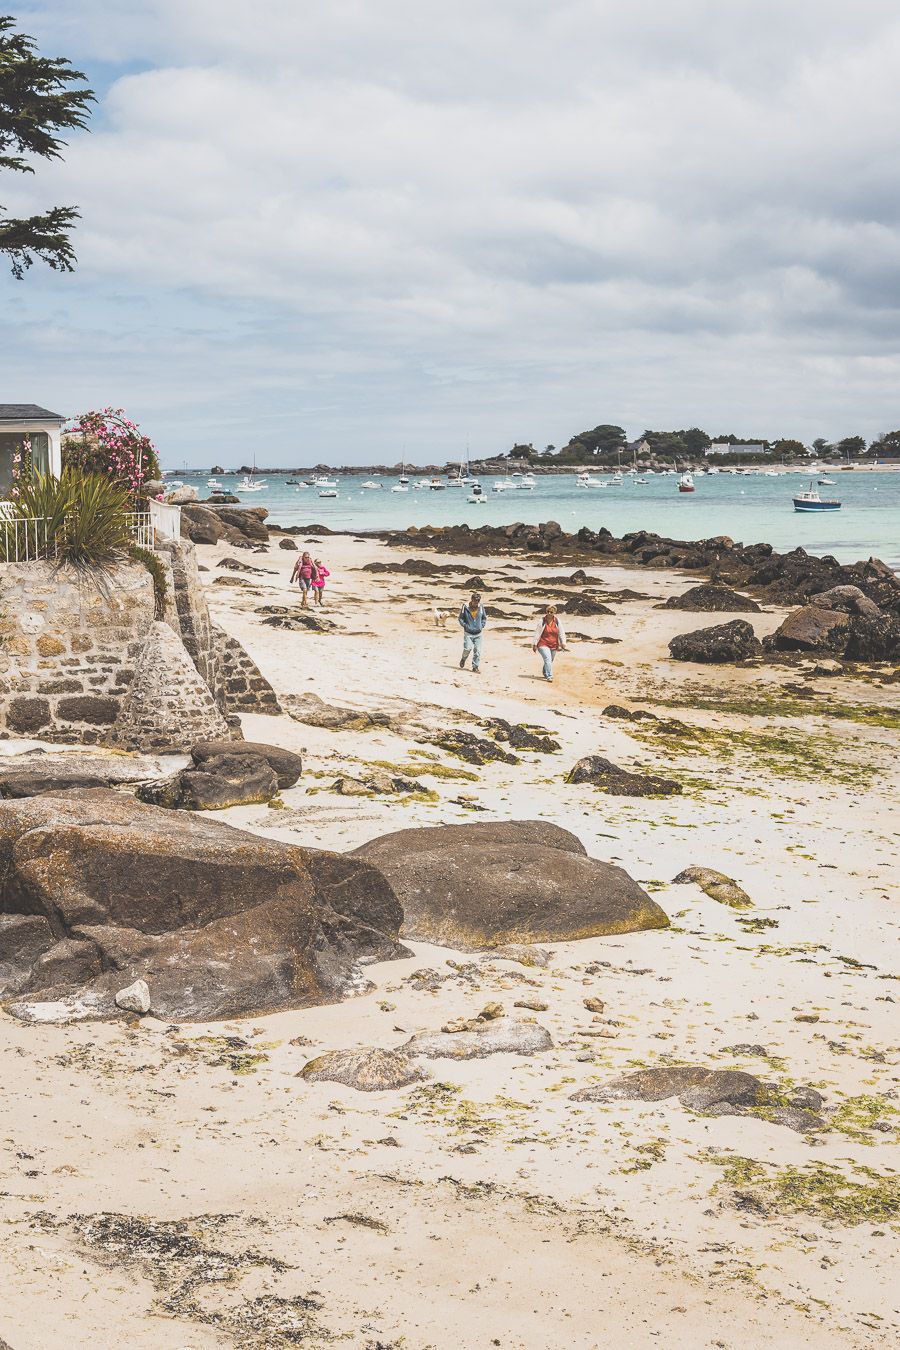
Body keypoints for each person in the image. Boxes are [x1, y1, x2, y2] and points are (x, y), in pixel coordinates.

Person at [533, 604, 567, 682]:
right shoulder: (542, 621)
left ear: (554, 612)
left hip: (554, 644)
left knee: (550, 660)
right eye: (548, 611)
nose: (549, 613)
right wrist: (534, 644)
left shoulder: (557, 621)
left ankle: (545, 672)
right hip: (543, 643)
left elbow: (561, 632)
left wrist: (563, 642)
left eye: (551, 612)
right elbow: (537, 633)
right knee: (547, 659)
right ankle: (549, 676)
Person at [458, 591, 487, 674]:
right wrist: (465, 625)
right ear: (472, 600)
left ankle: (475, 667)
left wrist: (482, 625)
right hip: (468, 633)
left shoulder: (481, 607)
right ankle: (463, 659)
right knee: (467, 648)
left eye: (478, 602)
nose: (476, 603)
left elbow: (484, 618)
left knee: (477, 651)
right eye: (475, 601)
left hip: (478, 633)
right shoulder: (465, 606)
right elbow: (460, 618)